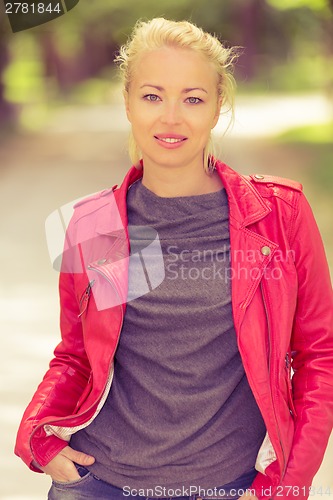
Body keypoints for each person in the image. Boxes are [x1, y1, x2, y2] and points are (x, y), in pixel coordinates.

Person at [15, 17, 333, 500]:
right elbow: (78, 354)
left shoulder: (276, 216)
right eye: (151, 96)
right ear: (127, 103)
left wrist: (286, 484)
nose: (171, 118)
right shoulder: (99, 223)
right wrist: (38, 433)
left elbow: (319, 356)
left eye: (193, 98)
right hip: (98, 483)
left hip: (234, 487)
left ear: (217, 106)